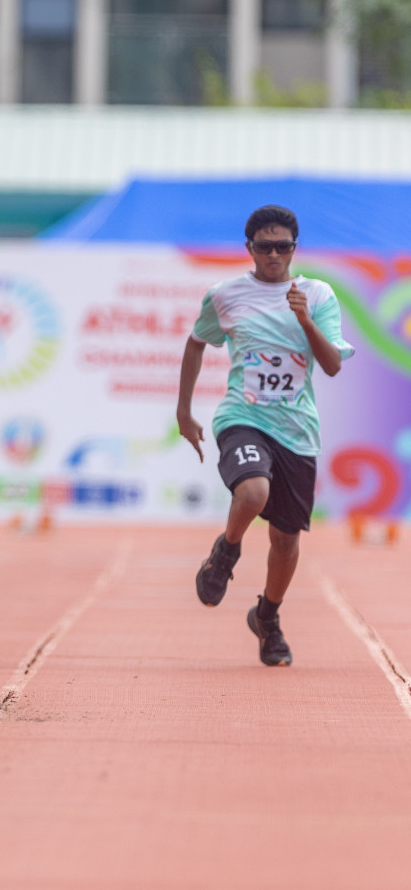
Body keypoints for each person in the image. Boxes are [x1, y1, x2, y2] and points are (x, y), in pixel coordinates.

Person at [178, 206, 353, 667]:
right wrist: (183, 410)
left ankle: (267, 617)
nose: (274, 255)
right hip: (243, 416)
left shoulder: (316, 294)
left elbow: (333, 365)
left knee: (285, 540)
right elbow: (197, 341)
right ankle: (227, 550)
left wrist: (305, 322)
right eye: (264, 246)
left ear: (295, 248)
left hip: (297, 431)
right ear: (249, 248)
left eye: (283, 247)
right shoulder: (226, 295)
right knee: (253, 490)